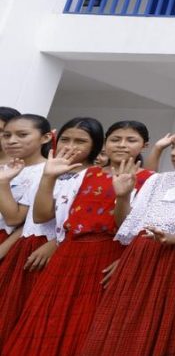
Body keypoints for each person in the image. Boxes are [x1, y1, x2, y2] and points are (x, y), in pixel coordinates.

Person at [9, 119, 155, 356]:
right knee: (47, 316)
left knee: (87, 323)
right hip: (68, 253)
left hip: (108, 255)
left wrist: (123, 196)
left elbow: (131, 228)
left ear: (144, 145)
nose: (122, 145)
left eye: (131, 140)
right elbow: (41, 216)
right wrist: (48, 177)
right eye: (115, 139)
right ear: (104, 144)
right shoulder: (86, 174)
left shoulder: (150, 180)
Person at [81, 124, 175, 356]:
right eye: (173, 147)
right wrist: (123, 196)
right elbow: (127, 223)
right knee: (122, 321)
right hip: (141, 256)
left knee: (163, 324)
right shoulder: (157, 180)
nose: (174, 153)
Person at [0, 115, 59, 342]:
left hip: (15, 242)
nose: (11, 141)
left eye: (22, 135)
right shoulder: (8, 167)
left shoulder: (46, 171)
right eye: (7, 135)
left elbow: (16, 219)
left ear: (45, 137)